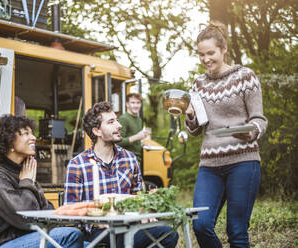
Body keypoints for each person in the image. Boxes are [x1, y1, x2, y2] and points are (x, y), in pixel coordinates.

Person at [185, 21, 268, 248]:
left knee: (237, 231)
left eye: (210, 53)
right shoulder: (198, 84)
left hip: (243, 162)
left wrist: (250, 133)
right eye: (201, 54)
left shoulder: (245, 76)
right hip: (209, 165)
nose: (206, 59)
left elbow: (259, 119)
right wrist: (189, 115)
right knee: (200, 225)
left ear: (224, 50)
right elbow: (194, 129)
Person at [64, 101, 178, 247]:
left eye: (116, 120)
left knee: (168, 233)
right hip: (97, 233)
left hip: (130, 227)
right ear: (97, 131)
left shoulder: (130, 159)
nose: (119, 125)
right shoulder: (78, 164)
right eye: (111, 122)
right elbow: (69, 212)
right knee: (119, 237)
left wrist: (146, 210)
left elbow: (139, 199)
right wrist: (97, 219)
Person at [0, 115, 84, 248]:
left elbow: (48, 211)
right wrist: (27, 181)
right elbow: (24, 218)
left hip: (28, 238)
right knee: (72, 235)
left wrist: (30, 183)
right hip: (0, 243)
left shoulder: (25, 170)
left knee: (89, 245)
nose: (34, 137)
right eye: (26, 133)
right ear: (9, 141)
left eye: (32, 133)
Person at [117, 93, 151, 164]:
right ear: (127, 104)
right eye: (133, 103)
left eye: (138, 103)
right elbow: (118, 142)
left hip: (137, 160)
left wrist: (143, 144)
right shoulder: (123, 119)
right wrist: (137, 137)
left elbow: (136, 141)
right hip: (126, 160)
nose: (136, 105)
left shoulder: (139, 120)